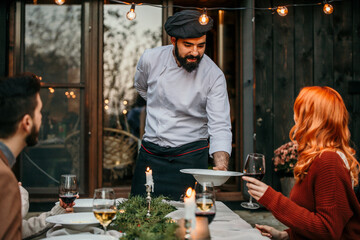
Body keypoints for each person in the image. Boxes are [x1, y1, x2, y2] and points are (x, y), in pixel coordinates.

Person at [131, 10, 232, 200]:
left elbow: (219, 125)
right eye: (188, 45)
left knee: (189, 223)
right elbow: (142, 88)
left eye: (201, 46)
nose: (195, 52)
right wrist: (160, 106)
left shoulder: (214, 76)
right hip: (151, 154)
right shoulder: (150, 59)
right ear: (173, 40)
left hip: (191, 157)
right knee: (139, 214)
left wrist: (221, 165)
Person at [243, 86, 360, 240]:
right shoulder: (320, 157)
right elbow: (315, 221)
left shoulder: (329, 161)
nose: (294, 117)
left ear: (311, 118)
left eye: (298, 110)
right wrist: (286, 235)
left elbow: (327, 231)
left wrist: (271, 198)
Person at [0, 73, 74, 239]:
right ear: (27, 122)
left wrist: (55, 213)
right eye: (39, 112)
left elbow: (18, 229)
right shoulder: (3, 178)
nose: (42, 118)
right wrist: (18, 198)